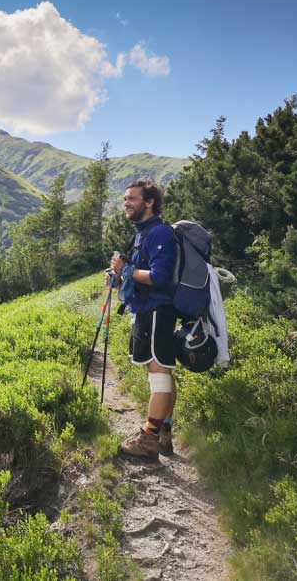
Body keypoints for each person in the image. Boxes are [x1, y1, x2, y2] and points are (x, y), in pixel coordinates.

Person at [109, 179, 178, 460]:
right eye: (125, 199)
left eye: (132, 199)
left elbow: (160, 278)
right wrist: (121, 276)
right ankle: (164, 433)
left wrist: (126, 269)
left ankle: (149, 438)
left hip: (156, 311)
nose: (127, 203)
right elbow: (140, 272)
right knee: (163, 371)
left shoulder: (159, 233)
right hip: (150, 310)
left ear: (149, 202)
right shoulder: (143, 233)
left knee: (158, 374)